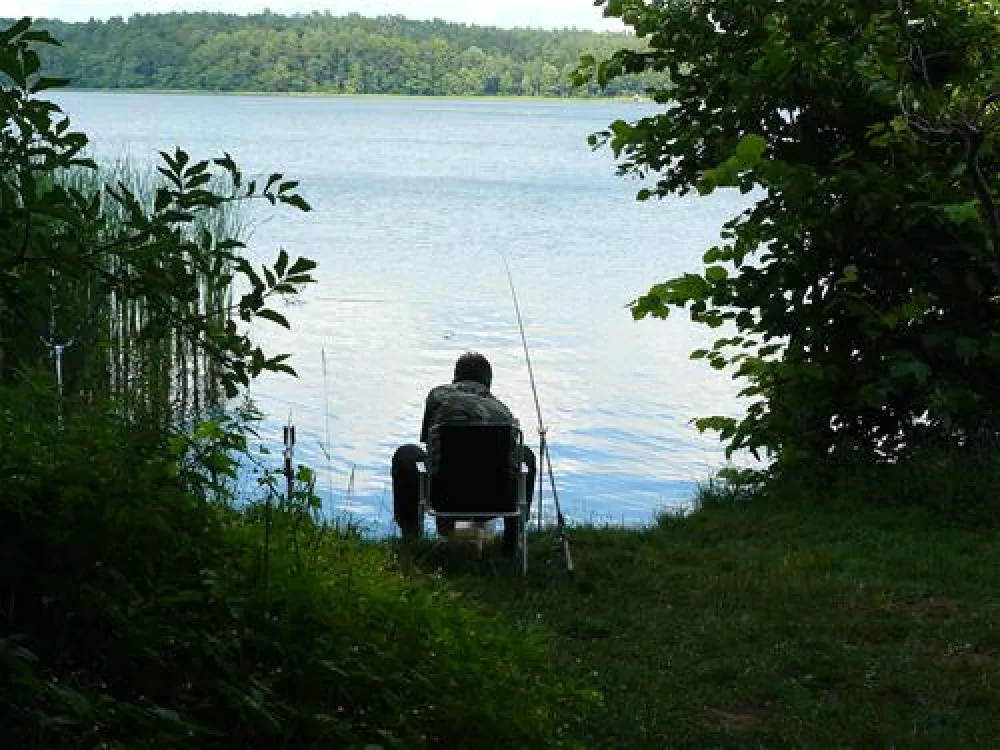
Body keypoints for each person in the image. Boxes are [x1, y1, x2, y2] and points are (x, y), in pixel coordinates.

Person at [391, 351, 536, 552]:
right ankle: (513, 540)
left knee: (406, 453)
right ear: (488, 382)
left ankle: (411, 538)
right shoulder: (502, 411)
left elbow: (430, 445)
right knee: (525, 454)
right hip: (497, 500)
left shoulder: (438, 395)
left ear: (455, 376)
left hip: (442, 496)